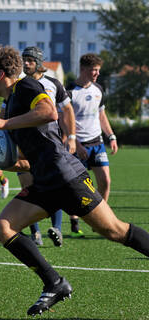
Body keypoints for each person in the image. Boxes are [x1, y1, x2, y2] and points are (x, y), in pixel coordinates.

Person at [0, 45, 149, 316]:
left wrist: (2, 125)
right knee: (4, 228)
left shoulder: (27, 87)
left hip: (66, 177)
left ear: (0, 74)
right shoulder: (10, 104)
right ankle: (54, 283)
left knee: (114, 230)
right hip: (44, 182)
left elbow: (50, 113)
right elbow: (27, 160)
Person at [21, 46, 77, 247]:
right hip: (26, 147)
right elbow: (5, 115)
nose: (26, 63)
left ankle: (57, 229)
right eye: (24, 60)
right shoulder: (19, 86)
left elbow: (67, 110)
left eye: (30, 60)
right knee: (28, 188)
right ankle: (35, 233)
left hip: (51, 146)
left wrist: (71, 137)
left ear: (38, 63)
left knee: (56, 186)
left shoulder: (53, 84)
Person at [66, 53, 118, 238]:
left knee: (105, 181)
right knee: (76, 187)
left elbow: (101, 115)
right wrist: (76, 143)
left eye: (98, 70)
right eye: (93, 70)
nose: (96, 73)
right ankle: (74, 221)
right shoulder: (70, 91)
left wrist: (111, 136)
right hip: (78, 146)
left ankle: (100, 220)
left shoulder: (98, 89)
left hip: (97, 143)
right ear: (82, 69)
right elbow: (65, 121)